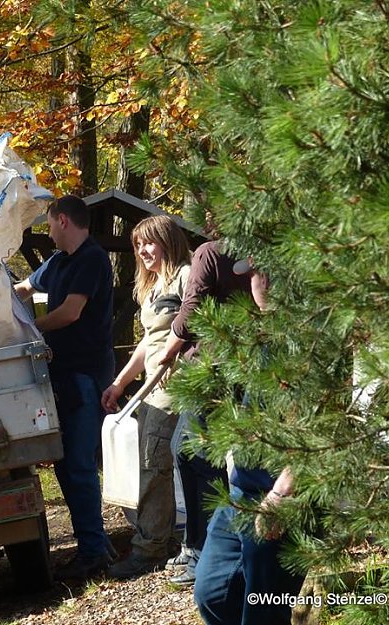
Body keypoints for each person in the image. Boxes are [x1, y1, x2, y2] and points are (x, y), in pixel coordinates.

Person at [192, 262, 306, 625]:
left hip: (280, 500)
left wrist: (282, 495)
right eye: (255, 272)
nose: (258, 281)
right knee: (211, 594)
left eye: (266, 272)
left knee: (264, 610)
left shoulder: (307, 343)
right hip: (240, 497)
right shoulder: (257, 336)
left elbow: (319, 436)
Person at [14, 194, 115, 580]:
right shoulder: (58, 262)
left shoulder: (91, 258)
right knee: (63, 464)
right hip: (63, 379)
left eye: (50, 223)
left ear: (63, 221)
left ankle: (93, 550)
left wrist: (29, 331)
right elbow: (24, 287)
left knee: (78, 465)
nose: (48, 230)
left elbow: (71, 312)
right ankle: (93, 543)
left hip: (86, 377)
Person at [158, 239, 253, 585]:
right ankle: (201, 546)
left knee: (194, 454)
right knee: (197, 453)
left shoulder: (210, 252)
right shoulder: (257, 247)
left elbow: (189, 316)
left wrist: (173, 338)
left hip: (212, 367)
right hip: (245, 364)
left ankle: (210, 552)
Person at [101, 215, 191, 579]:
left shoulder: (186, 275)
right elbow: (148, 343)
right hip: (150, 389)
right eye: (138, 245)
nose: (143, 251)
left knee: (155, 464)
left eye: (149, 242)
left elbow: (196, 324)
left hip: (176, 388)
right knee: (145, 462)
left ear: (168, 241)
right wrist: (120, 384)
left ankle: (150, 548)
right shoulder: (152, 287)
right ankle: (161, 538)